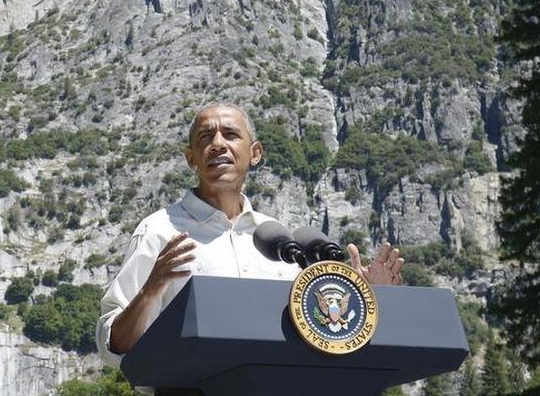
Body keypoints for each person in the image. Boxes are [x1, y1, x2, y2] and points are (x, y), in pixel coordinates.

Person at [95, 104, 406, 377]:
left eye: (230, 135)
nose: (218, 144)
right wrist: (150, 289)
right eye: (205, 137)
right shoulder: (160, 231)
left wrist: (370, 299)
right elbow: (114, 345)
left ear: (255, 153)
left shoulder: (280, 239)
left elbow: (323, 332)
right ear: (191, 158)